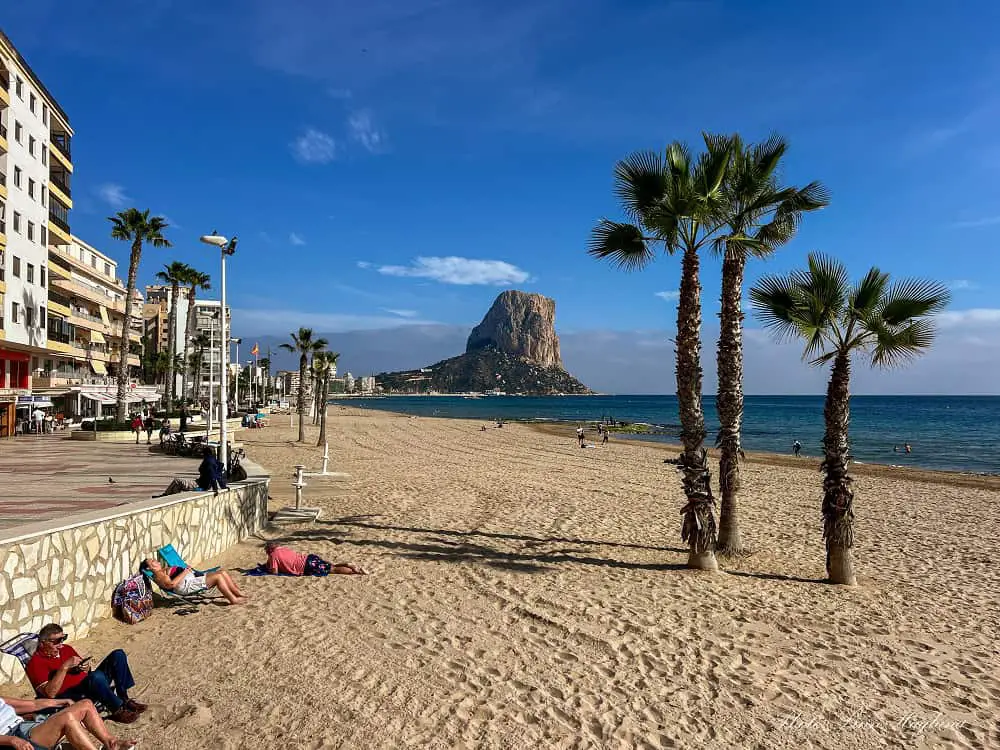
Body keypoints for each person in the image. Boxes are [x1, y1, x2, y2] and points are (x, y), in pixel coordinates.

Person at [25, 624, 145, 725]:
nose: (61, 644)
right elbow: (50, 694)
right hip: (72, 695)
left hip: (91, 684)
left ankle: (124, 698)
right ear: (42, 643)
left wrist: (85, 667)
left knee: (118, 655)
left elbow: (86, 670)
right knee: (96, 676)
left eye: (63, 638)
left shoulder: (66, 649)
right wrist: (64, 667)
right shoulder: (35, 663)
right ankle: (117, 710)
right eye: (56, 641)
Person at [0, 695, 136, 750]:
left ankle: (111, 743)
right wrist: (11, 740)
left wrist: (62, 701)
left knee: (86, 704)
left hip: (25, 728)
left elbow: (33, 705)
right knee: (68, 720)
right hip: (13, 738)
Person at [140, 558, 247, 605]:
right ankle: (233, 599)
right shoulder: (159, 575)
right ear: (149, 568)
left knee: (222, 572)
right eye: (152, 562)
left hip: (191, 578)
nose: (155, 561)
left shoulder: (162, 570)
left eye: (154, 559)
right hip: (185, 585)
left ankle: (238, 592)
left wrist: (188, 571)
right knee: (218, 577)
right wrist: (185, 572)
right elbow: (171, 584)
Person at [263, 542, 368, 576]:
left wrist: (268, 569)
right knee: (331, 565)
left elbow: (274, 572)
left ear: (269, 550)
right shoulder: (283, 548)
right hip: (309, 558)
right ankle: (347, 564)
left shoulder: (273, 556)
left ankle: (355, 571)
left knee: (333, 570)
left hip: (306, 566)